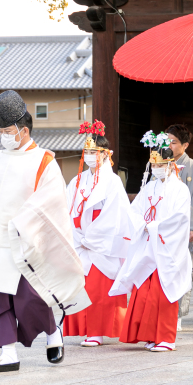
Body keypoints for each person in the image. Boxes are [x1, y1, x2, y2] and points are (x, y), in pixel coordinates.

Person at [0, 90, 87, 373]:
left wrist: (20, 223)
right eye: (0, 130)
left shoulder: (44, 161)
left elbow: (50, 202)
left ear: (23, 130)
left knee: (31, 296)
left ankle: (53, 333)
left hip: (26, 239)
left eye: (7, 130)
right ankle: (8, 352)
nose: (3, 136)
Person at [110, 131, 192, 352]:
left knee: (163, 291)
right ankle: (149, 335)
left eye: (160, 165)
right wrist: (142, 225)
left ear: (170, 164)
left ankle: (166, 337)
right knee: (145, 292)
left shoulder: (180, 190)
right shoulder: (149, 187)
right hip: (148, 244)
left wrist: (154, 227)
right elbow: (135, 210)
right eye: (153, 165)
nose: (156, 169)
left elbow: (180, 219)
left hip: (166, 247)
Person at [63, 120, 131, 347]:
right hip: (80, 240)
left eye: (95, 152)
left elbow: (116, 215)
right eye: (87, 151)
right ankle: (84, 329)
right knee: (81, 287)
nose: (91, 155)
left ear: (104, 154)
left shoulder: (112, 181)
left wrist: (91, 238)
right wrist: (77, 235)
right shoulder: (77, 180)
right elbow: (67, 208)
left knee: (99, 289)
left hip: (101, 243)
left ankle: (97, 332)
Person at [165, 124, 193, 331]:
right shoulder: (160, 164)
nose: (169, 145)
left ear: (185, 145)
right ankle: (162, 311)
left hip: (184, 230)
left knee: (182, 271)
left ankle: (178, 315)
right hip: (163, 228)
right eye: (166, 141)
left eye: (173, 142)